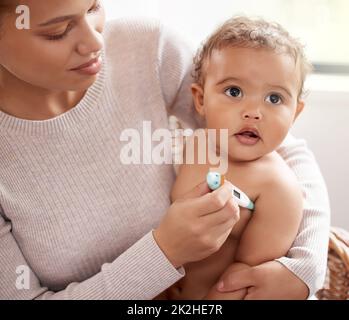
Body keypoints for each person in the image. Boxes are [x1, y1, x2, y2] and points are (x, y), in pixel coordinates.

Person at [0, 0, 329, 300]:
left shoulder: (144, 49)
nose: (96, 42)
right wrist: (164, 252)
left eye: (93, 8)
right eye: (57, 32)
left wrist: (304, 268)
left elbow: (283, 150)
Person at [157, 16, 322, 300]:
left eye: (274, 99)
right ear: (200, 100)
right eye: (234, 92)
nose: (253, 111)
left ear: (295, 113)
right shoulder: (191, 144)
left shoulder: (278, 188)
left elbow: (247, 278)